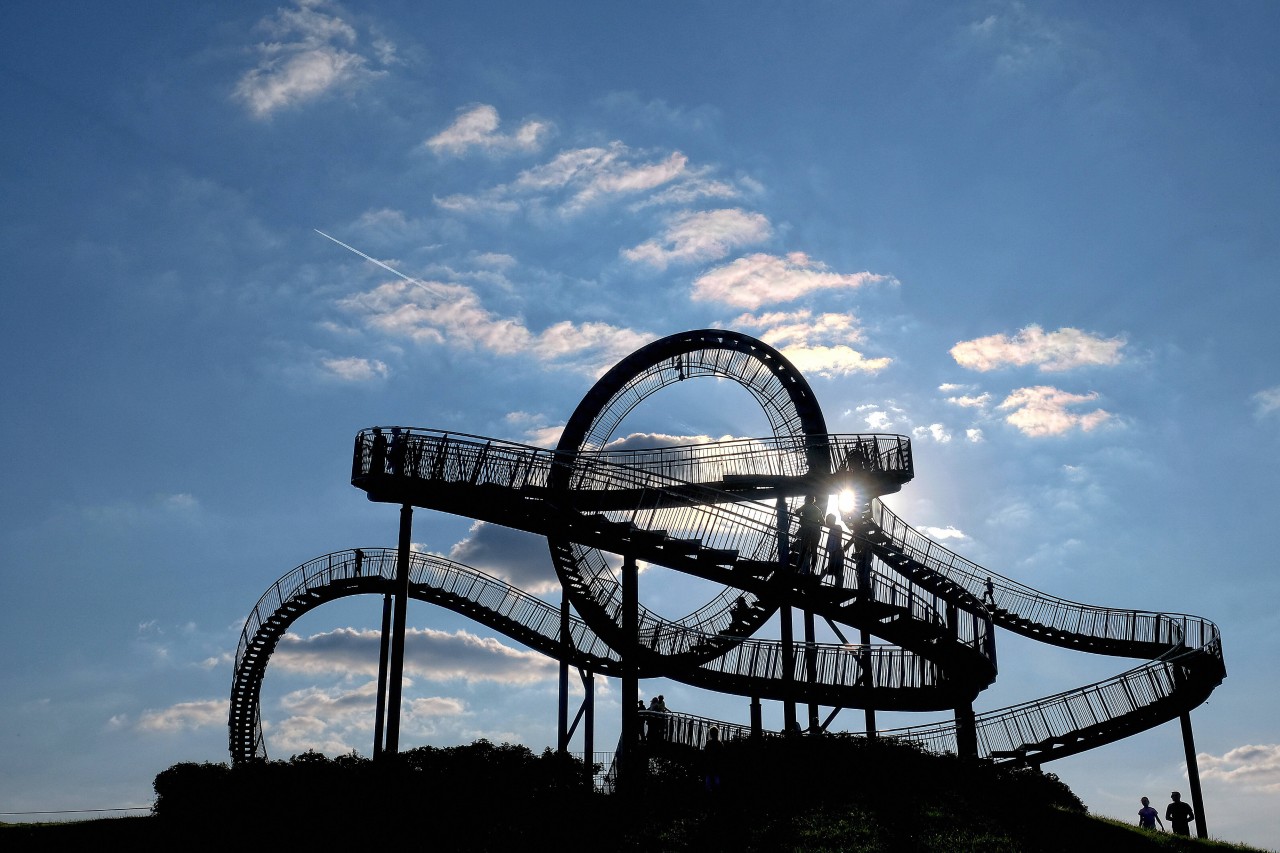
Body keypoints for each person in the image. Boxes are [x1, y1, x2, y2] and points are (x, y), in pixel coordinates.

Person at [794, 495, 824, 579]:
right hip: (816, 531)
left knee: (803, 549)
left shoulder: (806, 506)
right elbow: (823, 522)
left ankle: (797, 569)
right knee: (814, 550)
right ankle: (812, 570)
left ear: (806, 500)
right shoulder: (818, 509)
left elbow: (797, 511)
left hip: (807, 530)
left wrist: (803, 518)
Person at [823, 514, 845, 587]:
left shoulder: (837, 527)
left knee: (837, 569)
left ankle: (838, 585)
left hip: (837, 551)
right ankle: (838, 585)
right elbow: (829, 541)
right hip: (833, 551)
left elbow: (839, 538)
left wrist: (838, 549)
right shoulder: (831, 529)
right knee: (833, 568)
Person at [702, 726, 723, 792]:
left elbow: (705, 754)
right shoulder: (719, 744)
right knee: (716, 782)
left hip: (710, 764)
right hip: (717, 765)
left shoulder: (709, 743)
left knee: (708, 782)